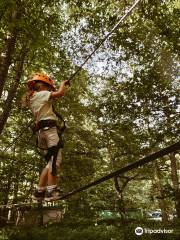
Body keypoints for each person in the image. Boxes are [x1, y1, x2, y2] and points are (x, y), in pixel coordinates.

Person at [22, 73, 69, 201]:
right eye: (49, 87)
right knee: (55, 160)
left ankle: (39, 192)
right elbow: (59, 93)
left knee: (50, 161)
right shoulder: (42, 94)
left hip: (41, 133)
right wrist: (63, 84)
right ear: (42, 86)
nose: (50, 90)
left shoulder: (33, 98)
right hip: (49, 131)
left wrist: (51, 91)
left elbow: (51, 97)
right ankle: (51, 191)